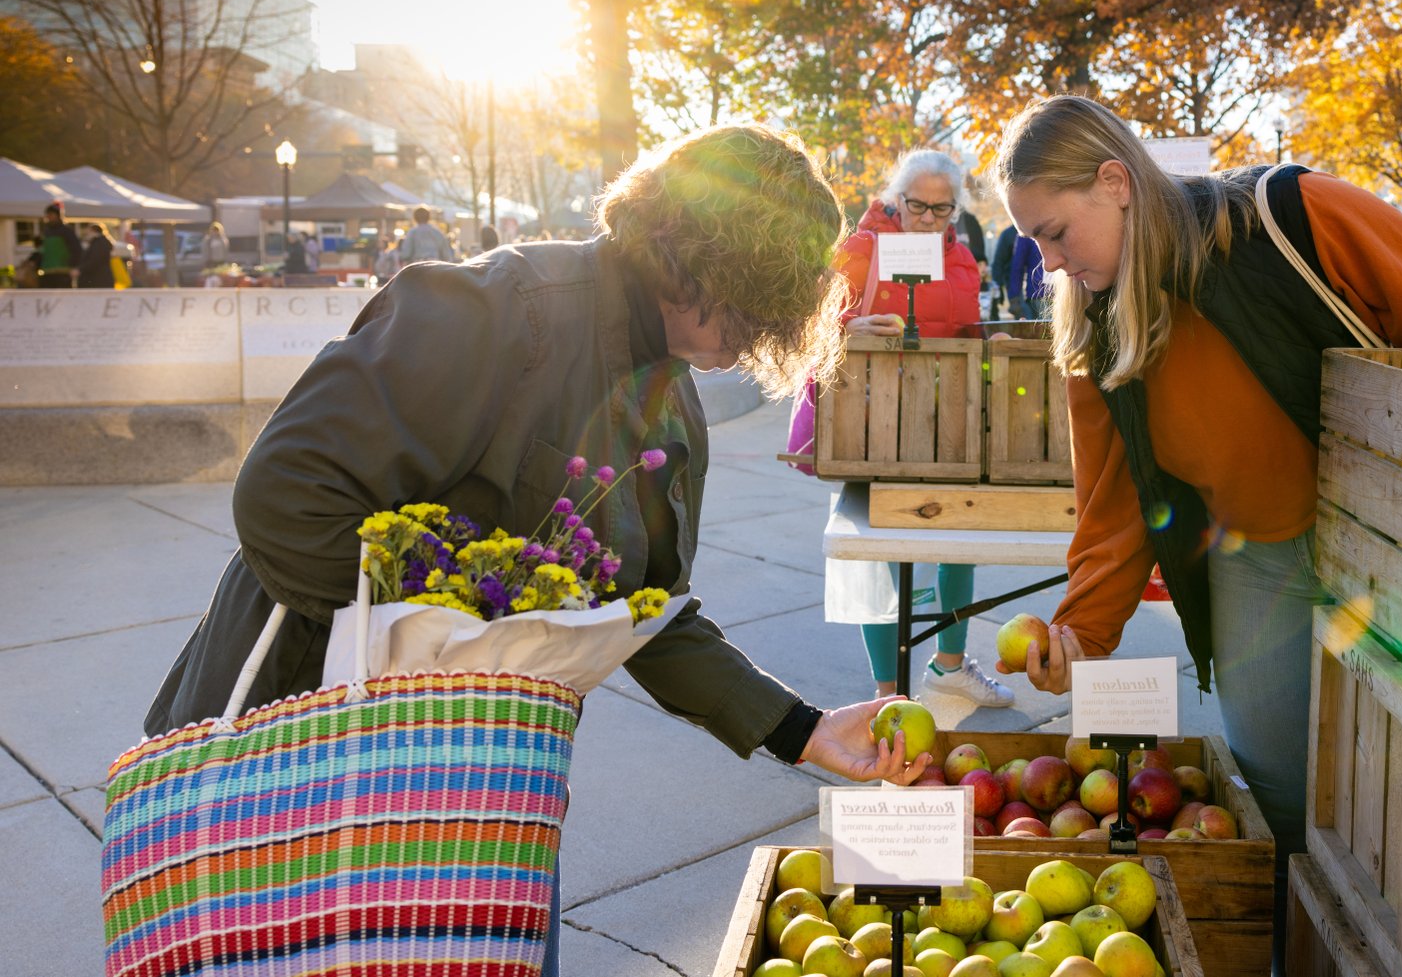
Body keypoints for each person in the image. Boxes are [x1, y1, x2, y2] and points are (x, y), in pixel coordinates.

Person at [144, 126, 934, 975]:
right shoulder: (497, 308)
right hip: (302, 764)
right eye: (764, 297)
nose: (769, 329)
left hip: (477, 788)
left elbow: (649, 616)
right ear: (698, 258)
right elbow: (284, 495)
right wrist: (462, 617)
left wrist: (803, 730)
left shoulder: (676, 406)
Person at [990, 95, 1402, 957]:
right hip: (1255, 559)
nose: (1048, 263)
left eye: (1053, 232)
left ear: (1115, 183)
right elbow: (1116, 499)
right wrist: (1083, 628)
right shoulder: (1094, 319)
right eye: (1032, 243)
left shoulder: (1296, 214)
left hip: (1393, 553)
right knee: (1272, 796)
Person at [833, 149, 1013, 707]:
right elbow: (814, 322)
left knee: (958, 538)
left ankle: (949, 666)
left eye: (943, 209)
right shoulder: (860, 248)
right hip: (874, 417)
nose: (930, 219)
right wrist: (848, 325)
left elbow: (962, 328)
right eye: (918, 206)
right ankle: (888, 693)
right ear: (895, 199)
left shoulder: (961, 260)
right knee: (885, 552)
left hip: (946, 418)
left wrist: (990, 340)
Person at [37, 203, 80, 288]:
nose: (48, 217)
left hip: (63, 272)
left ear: (57, 215)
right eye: (47, 214)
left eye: (51, 214)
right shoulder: (46, 231)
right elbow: (42, 250)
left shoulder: (66, 231)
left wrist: (73, 265)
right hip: (47, 271)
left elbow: (76, 249)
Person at [1008, 233, 1047, 319]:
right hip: (1040, 292)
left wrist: (1014, 297)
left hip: (1041, 290)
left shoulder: (1027, 226)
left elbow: (1017, 265)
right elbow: (1017, 266)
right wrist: (1014, 296)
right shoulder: (1027, 230)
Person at [76, 223, 116, 288]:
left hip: (98, 279)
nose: (87, 234)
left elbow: (94, 260)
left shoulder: (99, 243)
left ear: (93, 231)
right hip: (100, 279)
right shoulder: (101, 242)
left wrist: (81, 269)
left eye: (88, 231)